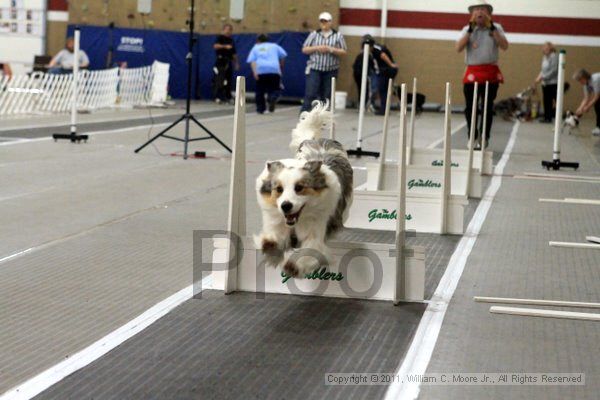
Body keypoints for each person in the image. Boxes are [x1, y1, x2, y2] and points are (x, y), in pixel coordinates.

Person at [456, 1, 508, 149]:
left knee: (487, 107)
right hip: (472, 72)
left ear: (488, 13)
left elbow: (504, 46)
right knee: (470, 107)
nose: (479, 12)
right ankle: (472, 135)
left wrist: (492, 29)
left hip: (490, 72)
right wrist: (470, 30)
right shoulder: (467, 29)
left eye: (482, 10)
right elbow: (458, 48)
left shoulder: (496, 28)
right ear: (472, 14)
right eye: (476, 10)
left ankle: (485, 136)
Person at [301, 11, 347, 112]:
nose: (324, 24)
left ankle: (322, 117)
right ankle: (304, 116)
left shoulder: (338, 36)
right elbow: (304, 49)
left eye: (326, 22)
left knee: (326, 95)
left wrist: (331, 49)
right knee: (311, 93)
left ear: (330, 22)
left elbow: (343, 51)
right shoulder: (314, 34)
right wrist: (317, 48)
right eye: (322, 22)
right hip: (315, 68)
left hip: (331, 70)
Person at [246, 34, 287, 114]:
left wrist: (255, 72)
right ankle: (273, 97)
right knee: (274, 88)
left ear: (258, 41)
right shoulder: (274, 46)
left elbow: (252, 61)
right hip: (274, 69)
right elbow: (283, 56)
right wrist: (281, 66)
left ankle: (260, 109)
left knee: (260, 90)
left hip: (261, 69)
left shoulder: (256, 47)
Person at [213, 23, 239, 103]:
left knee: (228, 79)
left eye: (230, 30)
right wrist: (225, 46)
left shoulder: (231, 40)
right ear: (224, 30)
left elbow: (234, 53)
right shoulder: (220, 38)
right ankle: (217, 97)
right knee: (220, 79)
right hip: (220, 61)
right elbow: (215, 46)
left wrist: (236, 63)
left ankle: (228, 97)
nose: (229, 31)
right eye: (227, 29)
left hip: (228, 61)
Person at [371, 39, 398, 115]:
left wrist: (391, 64)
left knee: (383, 90)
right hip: (388, 70)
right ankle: (384, 109)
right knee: (385, 90)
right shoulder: (378, 47)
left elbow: (383, 55)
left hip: (387, 70)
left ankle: (383, 110)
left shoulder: (375, 50)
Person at [535, 42, 558, 123]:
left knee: (555, 100)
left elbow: (554, 70)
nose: (543, 50)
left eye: (545, 48)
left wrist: (543, 77)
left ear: (549, 49)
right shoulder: (544, 57)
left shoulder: (554, 56)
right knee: (546, 100)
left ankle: (556, 116)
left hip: (553, 83)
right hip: (545, 83)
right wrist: (539, 77)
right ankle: (547, 117)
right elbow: (543, 70)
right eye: (543, 48)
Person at [352, 35, 376, 110]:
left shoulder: (360, 55)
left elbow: (354, 65)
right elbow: (373, 66)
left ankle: (362, 104)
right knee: (365, 90)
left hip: (358, 74)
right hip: (361, 75)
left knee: (361, 90)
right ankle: (365, 104)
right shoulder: (368, 56)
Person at [573, 69, 600, 136]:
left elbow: (597, 96)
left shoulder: (595, 79)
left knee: (598, 105)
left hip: (598, 94)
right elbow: (586, 98)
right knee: (597, 107)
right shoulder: (585, 84)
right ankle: (599, 127)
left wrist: (588, 106)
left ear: (584, 77)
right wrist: (580, 108)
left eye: (580, 80)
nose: (579, 82)